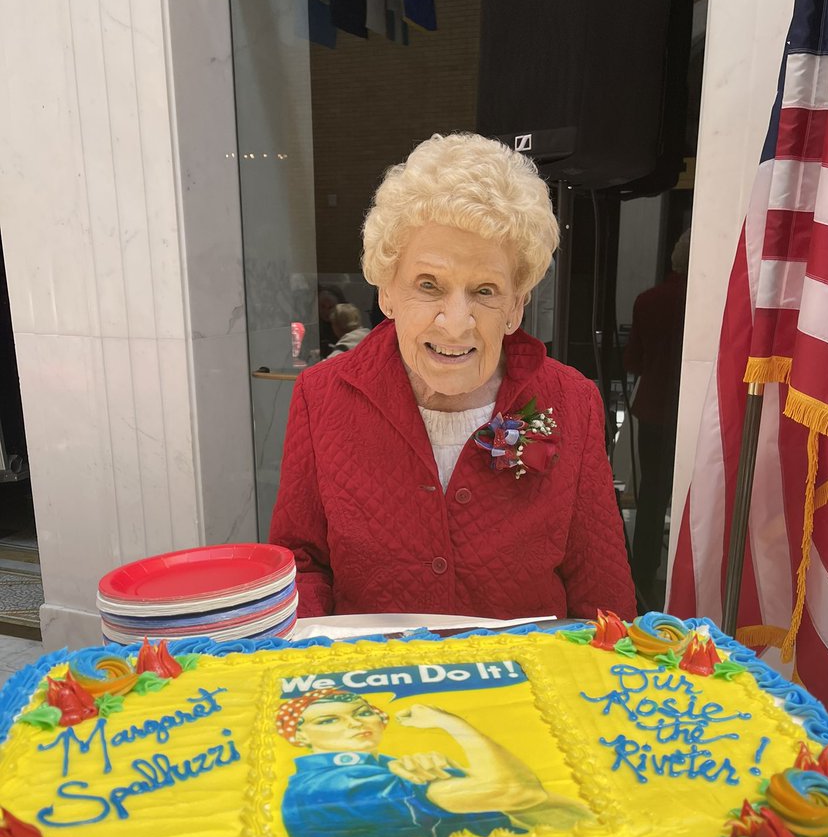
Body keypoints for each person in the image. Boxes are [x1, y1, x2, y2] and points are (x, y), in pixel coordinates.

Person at [270, 132, 636, 621]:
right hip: (375, 688)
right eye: (429, 285)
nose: (456, 321)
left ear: (515, 307)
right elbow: (302, 564)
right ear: (387, 293)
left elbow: (602, 594)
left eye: (485, 290)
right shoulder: (322, 396)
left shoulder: (573, 401)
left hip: (525, 690)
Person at [276, 688, 591, 837]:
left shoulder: (396, 768)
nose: (356, 723)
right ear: (300, 736)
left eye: (362, 712)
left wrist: (464, 775)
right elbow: (515, 791)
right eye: (328, 720)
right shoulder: (329, 786)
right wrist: (450, 722)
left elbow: (572, 818)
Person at [623, 229, 690, 608]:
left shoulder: (648, 300)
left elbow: (633, 361)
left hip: (653, 408)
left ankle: (644, 575)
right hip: (694, 413)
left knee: (651, 496)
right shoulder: (712, 303)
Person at [317, 284, 345, 355]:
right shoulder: (315, 327)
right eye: (322, 306)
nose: (326, 312)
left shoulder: (345, 326)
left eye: (330, 307)